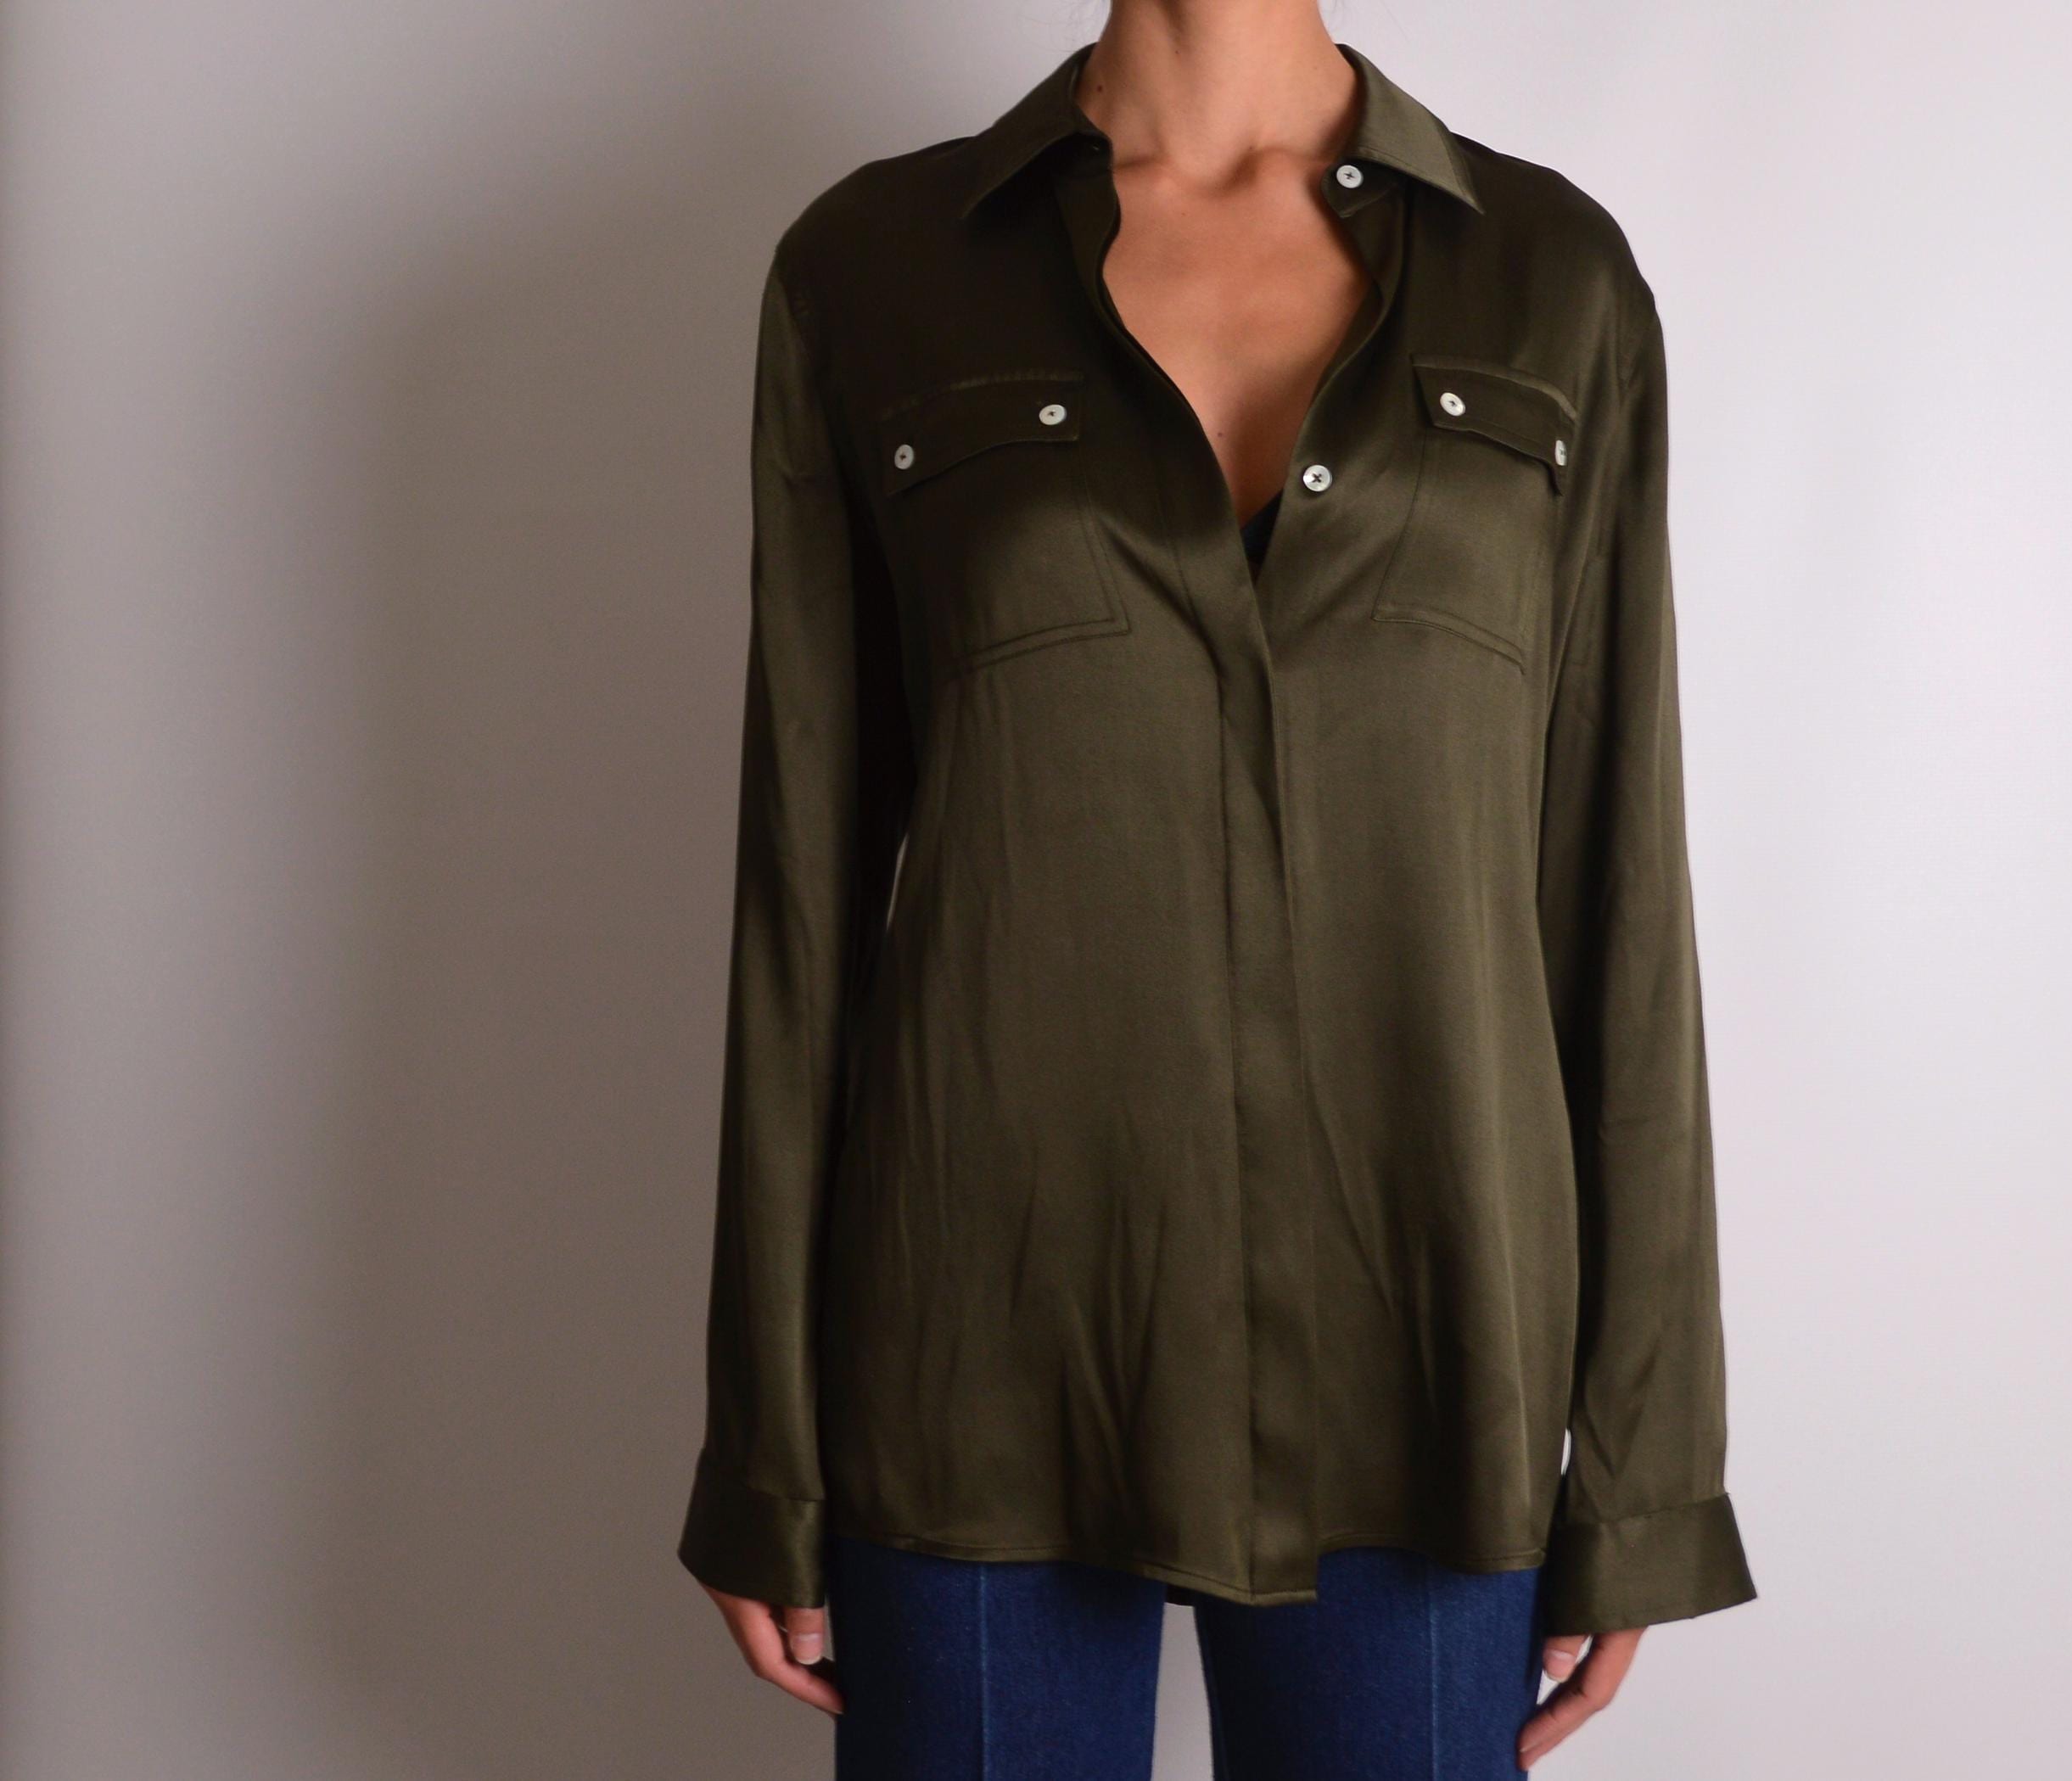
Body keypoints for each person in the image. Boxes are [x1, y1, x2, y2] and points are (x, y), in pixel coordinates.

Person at [678, 5, 1757, 1775]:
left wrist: (1644, 1475)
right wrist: (766, 1454)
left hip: (1432, 1358)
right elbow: (801, 909)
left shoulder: (1552, 279)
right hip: (978, 1358)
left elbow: (1618, 894)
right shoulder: (873, 272)